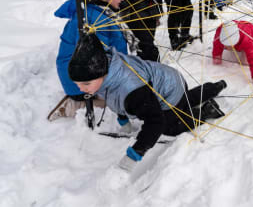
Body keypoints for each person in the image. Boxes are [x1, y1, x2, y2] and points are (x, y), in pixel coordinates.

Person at [68, 33, 227, 170]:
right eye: (78, 84)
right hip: (169, 81)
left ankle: (206, 111)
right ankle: (213, 88)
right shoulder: (107, 70)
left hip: (170, 88)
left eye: (85, 84)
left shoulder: (131, 90)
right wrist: (124, 121)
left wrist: (134, 155)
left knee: (168, 126)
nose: (81, 89)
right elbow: (113, 97)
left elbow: (155, 122)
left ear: (101, 73)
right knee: (183, 100)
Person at [54, 0, 128, 122]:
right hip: (82, 82)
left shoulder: (99, 11)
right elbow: (96, 60)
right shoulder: (92, 19)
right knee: (129, 96)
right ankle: (77, 105)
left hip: (87, 78)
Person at [213, 21, 253, 86]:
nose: (227, 48)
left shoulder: (246, 39)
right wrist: (217, 56)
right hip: (238, 32)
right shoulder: (221, 31)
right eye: (225, 45)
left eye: (229, 46)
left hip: (252, 32)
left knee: (245, 62)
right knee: (222, 46)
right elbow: (216, 44)